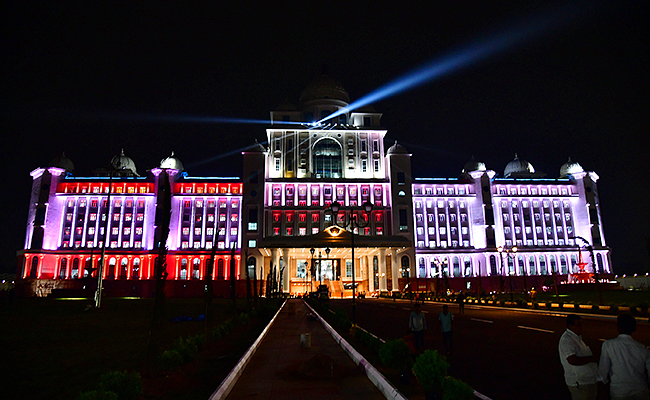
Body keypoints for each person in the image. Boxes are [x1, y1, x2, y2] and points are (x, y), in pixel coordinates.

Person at [599, 314, 650, 400]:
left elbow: (603, 369)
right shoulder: (642, 348)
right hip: (640, 389)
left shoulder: (608, 345)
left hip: (619, 391)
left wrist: (602, 383)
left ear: (618, 327)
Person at [558, 314, 599, 400]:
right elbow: (572, 360)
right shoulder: (567, 340)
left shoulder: (577, 338)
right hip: (579, 382)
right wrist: (592, 359)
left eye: (581, 324)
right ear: (570, 326)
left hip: (587, 381)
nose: (581, 327)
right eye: (578, 325)